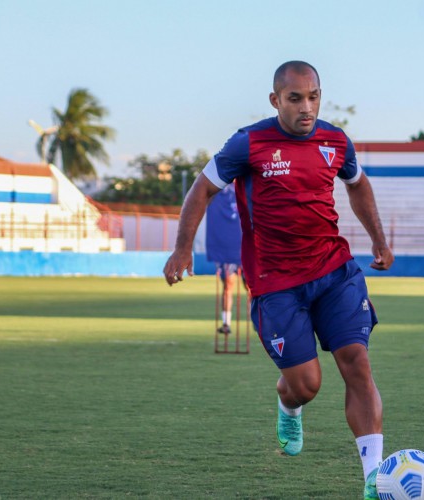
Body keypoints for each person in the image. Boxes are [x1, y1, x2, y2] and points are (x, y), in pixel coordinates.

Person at [163, 60, 394, 499]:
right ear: (276, 100)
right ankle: (288, 405)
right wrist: (182, 247)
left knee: (357, 363)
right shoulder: (248, 143)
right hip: (275, 283)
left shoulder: (335, 141)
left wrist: (379, 240)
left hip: (334, 271)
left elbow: (358, 184)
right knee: (306, 385)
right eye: (295, 99)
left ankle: (374, 478)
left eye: (313, 97)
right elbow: (203, 188)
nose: (306, 108)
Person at [205, 183, 244, 334]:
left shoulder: (246, 186)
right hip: (227, 248)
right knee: (228, 285)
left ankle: (256, 321)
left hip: (247, 246)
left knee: (252, 288)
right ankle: (226, 323)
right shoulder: (217, 190)